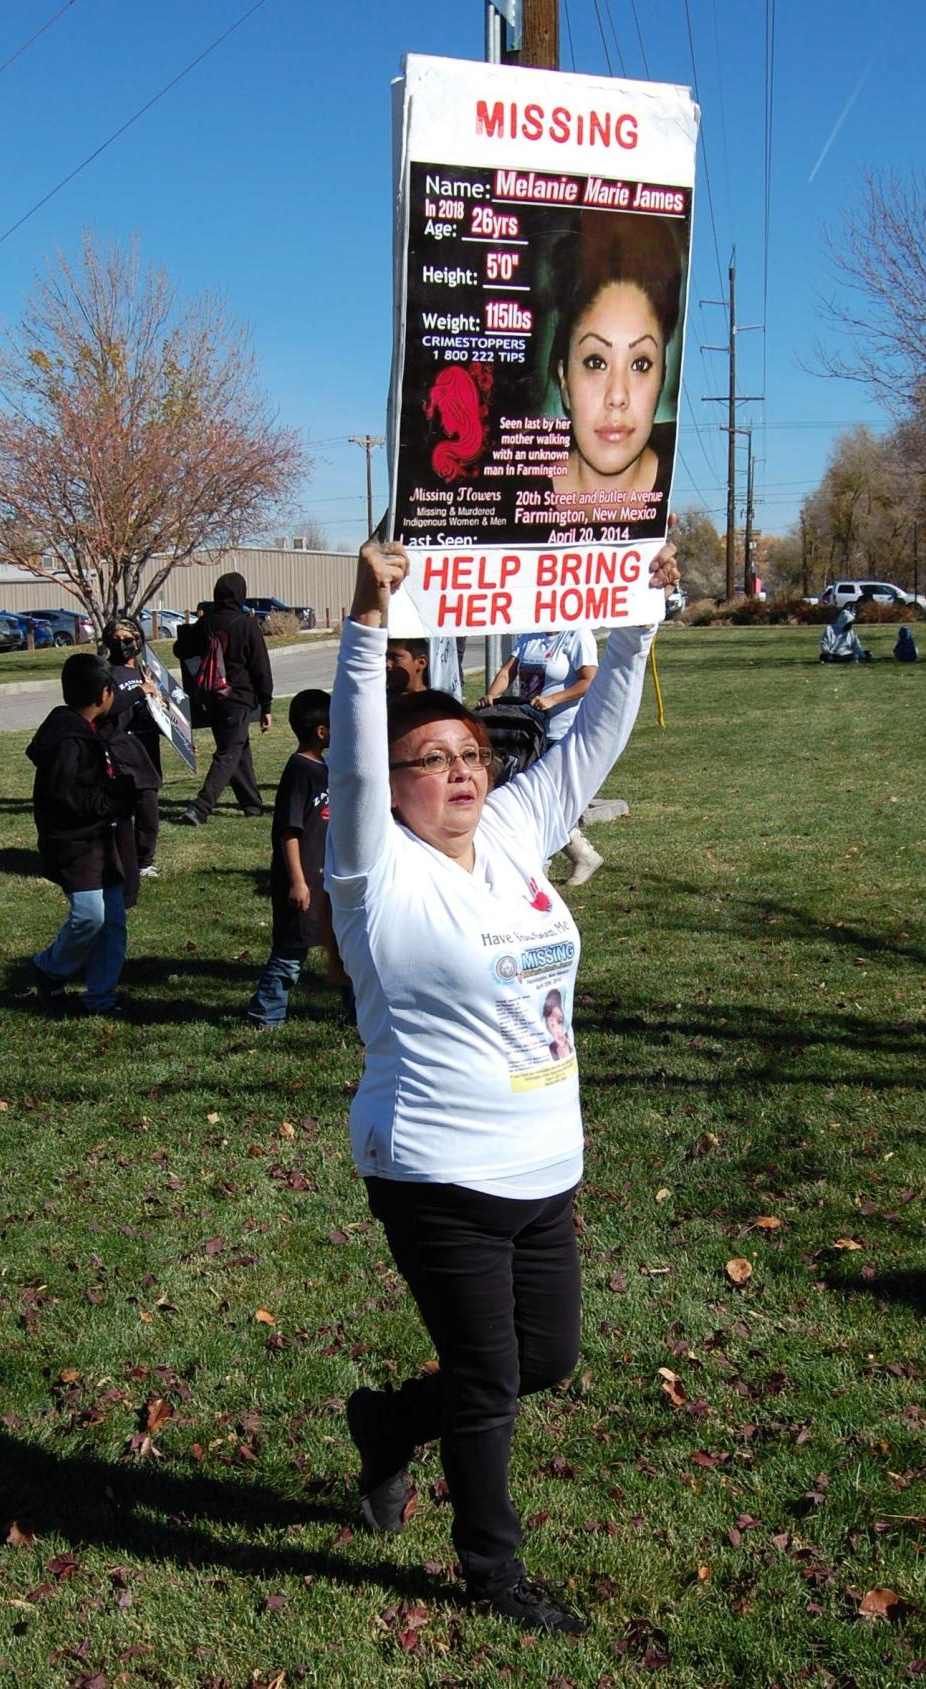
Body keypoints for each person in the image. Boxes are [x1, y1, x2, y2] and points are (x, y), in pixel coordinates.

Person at [330, 535, 679, 1635]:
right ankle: (495, 1577)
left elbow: (596, 742)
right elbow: (348, 752)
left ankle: (388, 1423)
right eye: (432, 759)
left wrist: (639, 617)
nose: (462, 772)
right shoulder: (375, 870)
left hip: (545, 1165)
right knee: (487, 1379)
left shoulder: (519, 837)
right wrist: (364, 625)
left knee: (548, 1360)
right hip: (435, 1163)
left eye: (471, 752)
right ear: (392, 787)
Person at [547, 213, 682, 530]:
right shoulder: (504, 490)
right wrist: (411, 571)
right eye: (596, 361)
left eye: (640, 364)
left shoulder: (668, 495)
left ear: (661, 378)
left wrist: (663, 575)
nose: (617, 396)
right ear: (565, 380)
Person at [26, 653, 135, 1016]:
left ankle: (100, 997)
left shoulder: (86, 730)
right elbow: (67, 796)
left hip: (102, 842)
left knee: (113, 922)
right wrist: (115, 798)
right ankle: (49, 968)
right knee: (90, 916)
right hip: (76, 845)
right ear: (103, 694)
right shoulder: (67, 740)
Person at [479, 629, 603, 886]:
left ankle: (543, 866)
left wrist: (553, 699)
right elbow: (506, 672)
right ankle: (582, 854)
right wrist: (492, 693)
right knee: (537, 799)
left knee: (550, 800)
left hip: (562, 730)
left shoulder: (577, 635)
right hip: (529, 731)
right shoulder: (530, 636)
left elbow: (589, 681)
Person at [245, 690, 331, 1030]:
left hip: (326, 881)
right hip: (302, 882)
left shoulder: (324, 768)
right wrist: (298, 881)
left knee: (344, 951)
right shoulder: (298, 772)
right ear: (322, 731)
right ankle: (265, 1013)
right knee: (291, 954)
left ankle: (357, 1011)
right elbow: (288, 831)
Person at [173, 572, 273, 824]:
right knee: (228, 754)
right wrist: (266, 705)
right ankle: (200, 807)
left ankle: (252, 805)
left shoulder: (206, 623)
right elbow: (261, 667)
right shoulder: (246, 624)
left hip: (211, 698)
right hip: (238, 698)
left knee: (238, 751)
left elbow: (180, 649)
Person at [102, 618, 163, 883]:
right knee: (123, 809)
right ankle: (118, 858)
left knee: (149, 807)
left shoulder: (145, 672)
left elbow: (160, 712)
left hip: (146, 749)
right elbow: (110, 707)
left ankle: (144, 860)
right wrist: (139, 691)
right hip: (120, 749)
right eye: (116, 640)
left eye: (127, 639)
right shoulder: (107, 674)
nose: (122, 645)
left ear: (138, 642)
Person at [543, 987, 573, 1062]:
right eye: (552, 1025)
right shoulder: (547, 1050)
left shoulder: (568, 1042)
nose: (558, 1031)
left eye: (559, 1021)